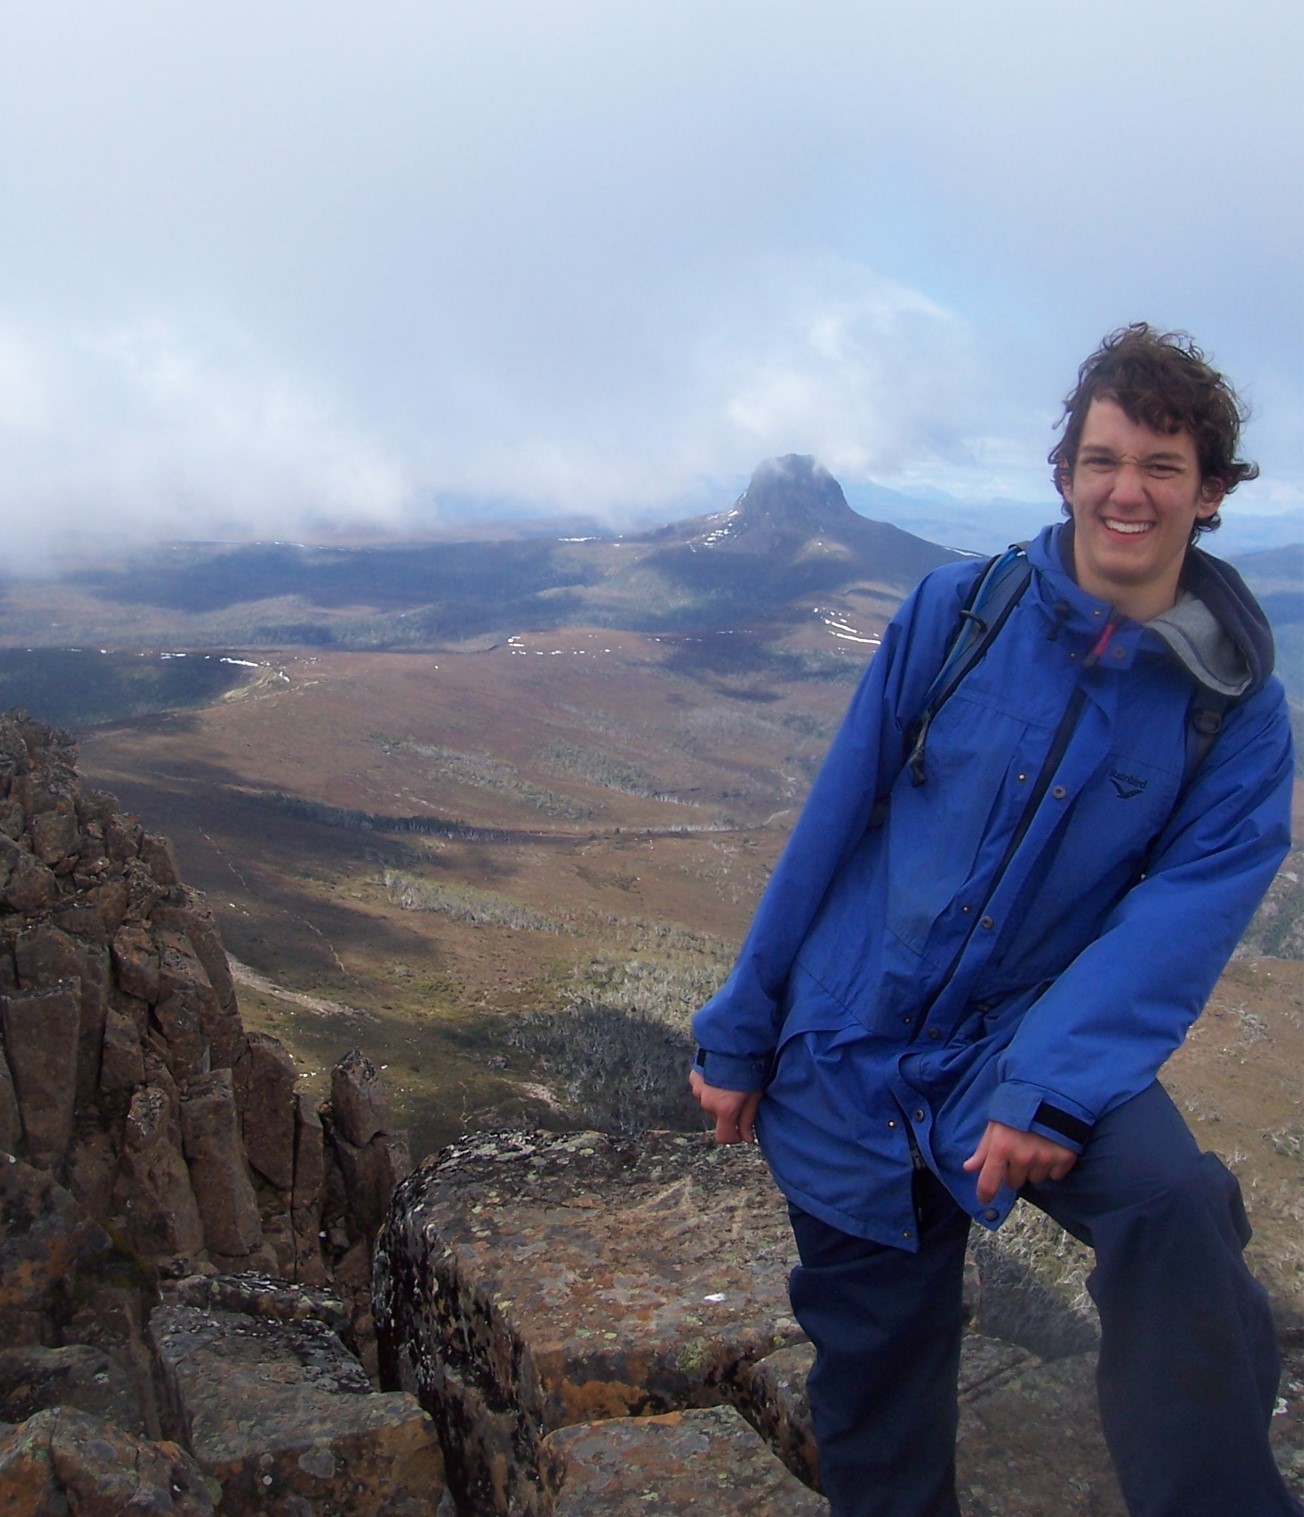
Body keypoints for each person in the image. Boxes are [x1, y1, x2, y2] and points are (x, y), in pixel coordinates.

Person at [689, 324, 1299, 1517]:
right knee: (877, 1385)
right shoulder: (957, 610)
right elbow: (833, 821)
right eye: (1103, 457)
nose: (1126, 490)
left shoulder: (1234, 712)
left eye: (1162, 466)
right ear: (1064, 471)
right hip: (849, 1044)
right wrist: (739, 1027)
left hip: (1023, 1042)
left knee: (1171, 1206)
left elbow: (1179, 916)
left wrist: (1051, 1085)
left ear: (1209, 493)